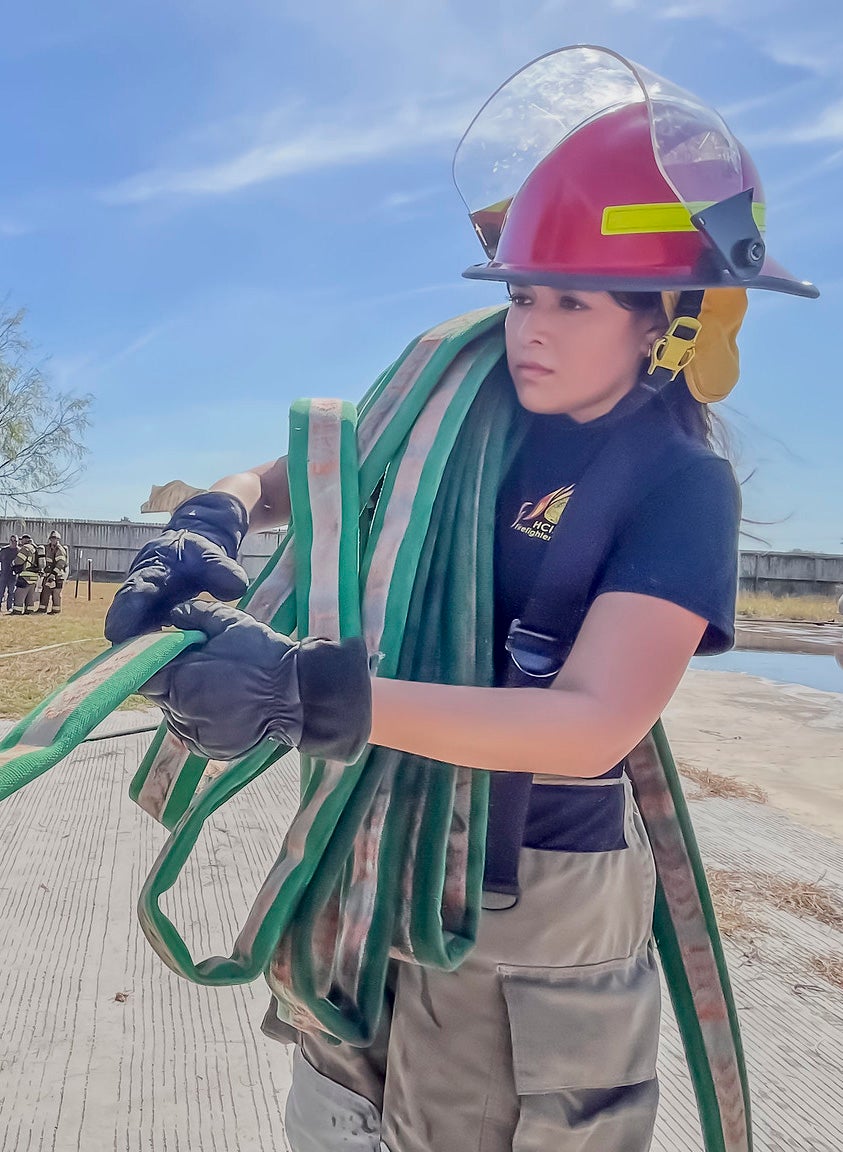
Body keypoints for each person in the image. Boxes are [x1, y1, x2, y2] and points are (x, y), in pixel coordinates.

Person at [105, 47, 817, 1152]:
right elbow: (335, 457)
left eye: (571, 300)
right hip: (378, 845)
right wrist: (218, 508)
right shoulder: (467, 405)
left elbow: (592, 724)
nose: (528, 327)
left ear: (673, 321)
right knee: (340, 1116)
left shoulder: (681, 487)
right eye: (522, 292)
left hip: (533, 902)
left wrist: (311, 695)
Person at [38, 530, 69, 614]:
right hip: (48, 575)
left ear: (58, 539)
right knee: (45, 592)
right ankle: (42, 609)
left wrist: (53, 574)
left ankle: (55, 610)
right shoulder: (47, 548)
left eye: (55, 538)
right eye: (51, 538)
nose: (53, 540)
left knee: (56, 593)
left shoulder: (60, 549)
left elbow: (61, 563)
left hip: (58, 576)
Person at [12, 533, 43, 615]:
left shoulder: (25, 548)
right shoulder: (35, 548)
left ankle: (17, 611)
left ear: (25, 540)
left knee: (19, 594)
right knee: (30, 596)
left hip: (25, 576)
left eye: (22, 539)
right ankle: (29, 610)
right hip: (34, 577)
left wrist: (13, 563)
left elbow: (19, 561)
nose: (20, 541)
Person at [0, 534, 19, 613]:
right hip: (3, 574)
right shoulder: (4, 550)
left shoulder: (19, 551)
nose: (14, 542)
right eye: (12, 540)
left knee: (11, 592)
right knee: (1, 591)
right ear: (9, 541)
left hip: (13, 575)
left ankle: (9, 607)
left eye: (16, 541)